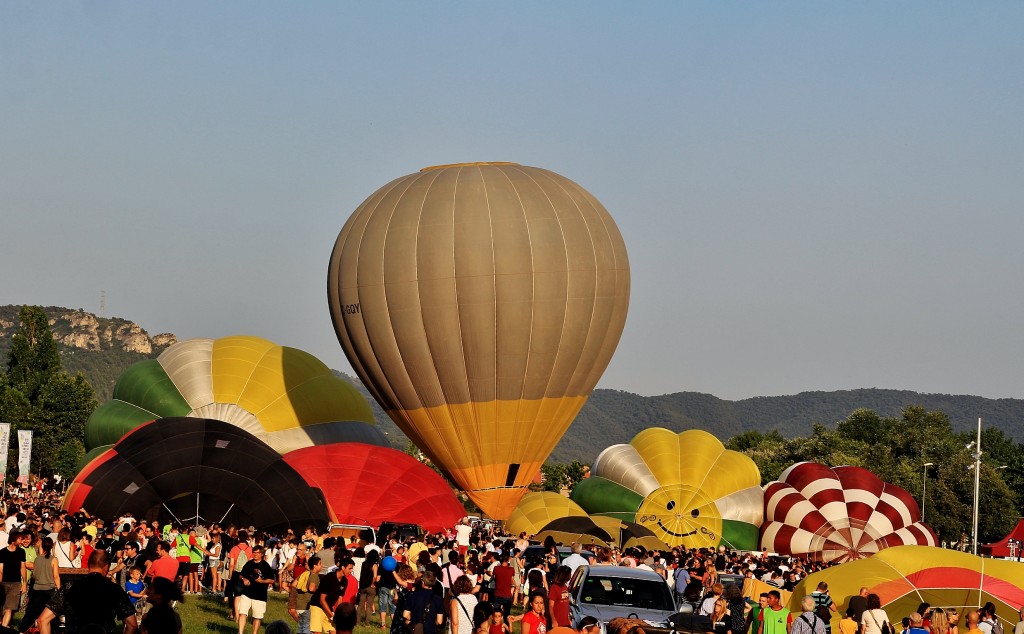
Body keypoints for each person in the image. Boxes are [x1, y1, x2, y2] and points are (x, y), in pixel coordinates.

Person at [38, 549, 138, 634]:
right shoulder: (115, 589)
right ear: (106, 567)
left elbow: (43, 620)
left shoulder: (70, 587)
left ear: (89, 564)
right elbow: (132, 625)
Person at [20, 535, 60, 632]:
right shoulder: (53, 559)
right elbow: (55, 576)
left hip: (37, 589)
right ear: (51, 547)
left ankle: (22, 630)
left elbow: (35, 574)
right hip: (49, 590)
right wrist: (59, 589)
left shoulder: (37, 559)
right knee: (51, 615)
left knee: (31, 613)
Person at [238, 546, 275, 634]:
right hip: (246, 592)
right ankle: (240, 632)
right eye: (254, 552)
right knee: (242, 613)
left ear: (261, 554)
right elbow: (241, 575)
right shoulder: (249, 563)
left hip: (260, 595)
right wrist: (244, 579)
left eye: (257, 552)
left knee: (257, 617)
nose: (255, 554)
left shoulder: (266, 566)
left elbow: (272, 580)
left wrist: (261, 581)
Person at [0, 527, 27, 628]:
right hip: (4, 583)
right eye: (20, 539)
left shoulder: (21, 552)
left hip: (16, 583)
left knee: (9, 608)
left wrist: (24, 583)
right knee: (1, 607)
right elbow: (0, 570)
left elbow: (23, 567)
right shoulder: (2, 552)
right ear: (13, 540)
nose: (21, 541)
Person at [291, 555, 322, 634]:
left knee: (301, 626)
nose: (322, 566)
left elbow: (294, 584)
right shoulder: (314, 576)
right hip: (307, 605)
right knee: (307, 627)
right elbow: (311, 588)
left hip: (298, 604)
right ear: (315, 566)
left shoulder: (304, 574)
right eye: (320, 564)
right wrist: (318, 590)